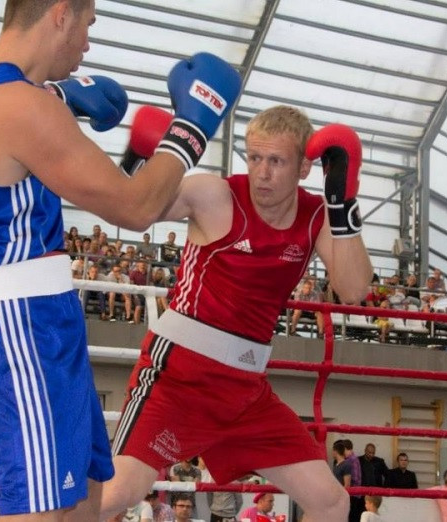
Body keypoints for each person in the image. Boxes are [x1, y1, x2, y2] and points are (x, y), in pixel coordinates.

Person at [0, 1, 241, 520]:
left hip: (41, 317)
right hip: (16, 321)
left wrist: (62, 95)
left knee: (84, 503)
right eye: (89, 25)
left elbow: (17, 146)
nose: (88, 44)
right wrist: (191, 125)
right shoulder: (19, 106)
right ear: (61, 15)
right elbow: (135, 207)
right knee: (39, 510)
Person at [100, 104, 371, 521]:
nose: (262, 172)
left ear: (303, 169)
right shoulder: (215, 194)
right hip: (178, 379)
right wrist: (136, 159)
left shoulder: (316, 216)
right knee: (117, 493)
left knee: (331, 502)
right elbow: (133, 209)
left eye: (277, 161)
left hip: (246, 393)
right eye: (255, 157)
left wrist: (341, 203)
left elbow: (354, 289)